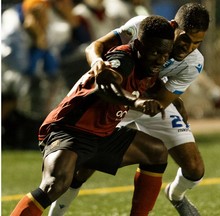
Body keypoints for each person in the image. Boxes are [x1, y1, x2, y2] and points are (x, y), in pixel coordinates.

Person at [49, 2, 209, 216]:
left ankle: (176, 195)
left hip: (147, 102)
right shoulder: (142, 27)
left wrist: (168, 98)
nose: (188, 48)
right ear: (173, 27)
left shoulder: (194, 63)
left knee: (195, 169)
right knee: (84, 166)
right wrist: (98, 63)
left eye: (196, 43)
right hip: (112, 95)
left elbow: (159, 103)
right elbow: (94, 47)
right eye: (185, 39)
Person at [10, 15, 175, 216]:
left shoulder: (150, 67)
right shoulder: (123, 59)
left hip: (102, 134)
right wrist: (135, 102)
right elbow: (105, 86)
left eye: (165, 54)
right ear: (139, 45)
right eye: (156, 52)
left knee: (156, 152)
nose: (161, 59)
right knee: (55, 184)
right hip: (69, 130)